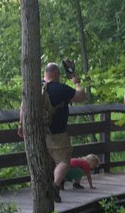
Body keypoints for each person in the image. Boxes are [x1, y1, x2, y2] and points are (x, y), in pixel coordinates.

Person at [22, 61, 83, 193]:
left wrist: (21, 125)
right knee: (63, 161)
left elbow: (23, 107)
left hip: (38, 132)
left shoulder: (35, 87)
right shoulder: (60, 88)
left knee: (47, 162)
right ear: (56, 74)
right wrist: (77, 83)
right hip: (57, 133)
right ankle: (54, 187)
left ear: (45, 73)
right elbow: (80, 96)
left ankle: (47, 190)